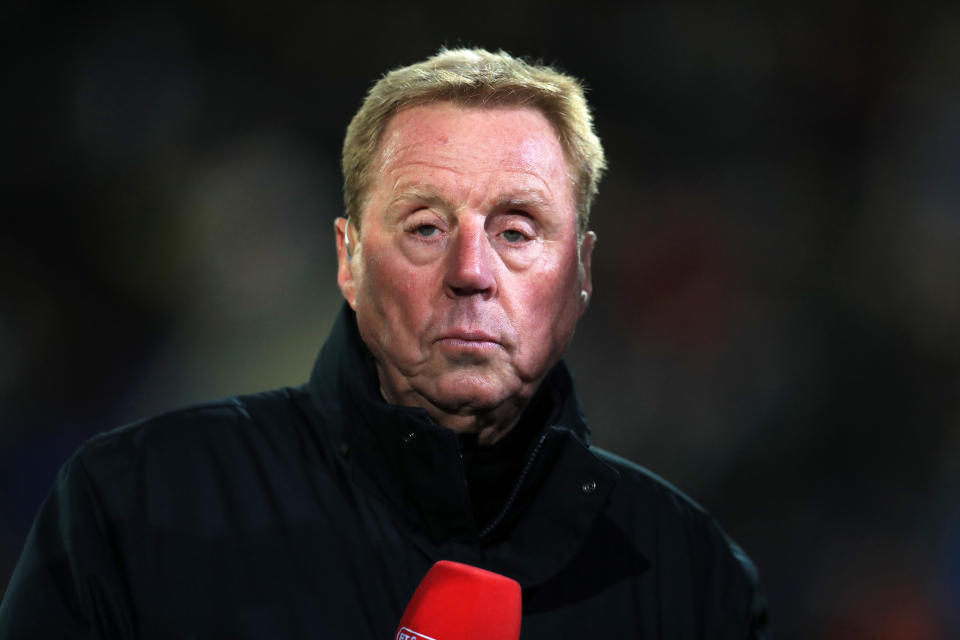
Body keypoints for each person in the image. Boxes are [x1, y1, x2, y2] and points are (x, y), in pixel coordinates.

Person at [0, 48, 768, 638]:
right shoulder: (131, 505)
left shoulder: (691, 578)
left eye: (516, 231)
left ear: (581, 270)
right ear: (349, 258)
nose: (472, 273)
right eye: (426, 227)